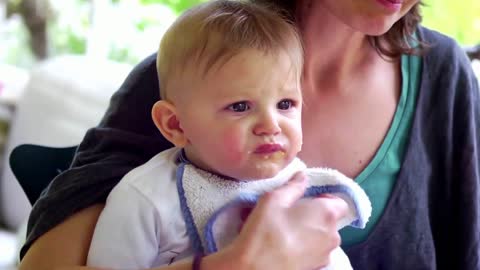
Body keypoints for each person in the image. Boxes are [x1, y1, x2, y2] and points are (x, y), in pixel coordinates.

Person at [18, 0, 480, 269]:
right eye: (240, 108)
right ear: (172, 123)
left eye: (286, 106)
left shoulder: (443, 76)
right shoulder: (193, 75)